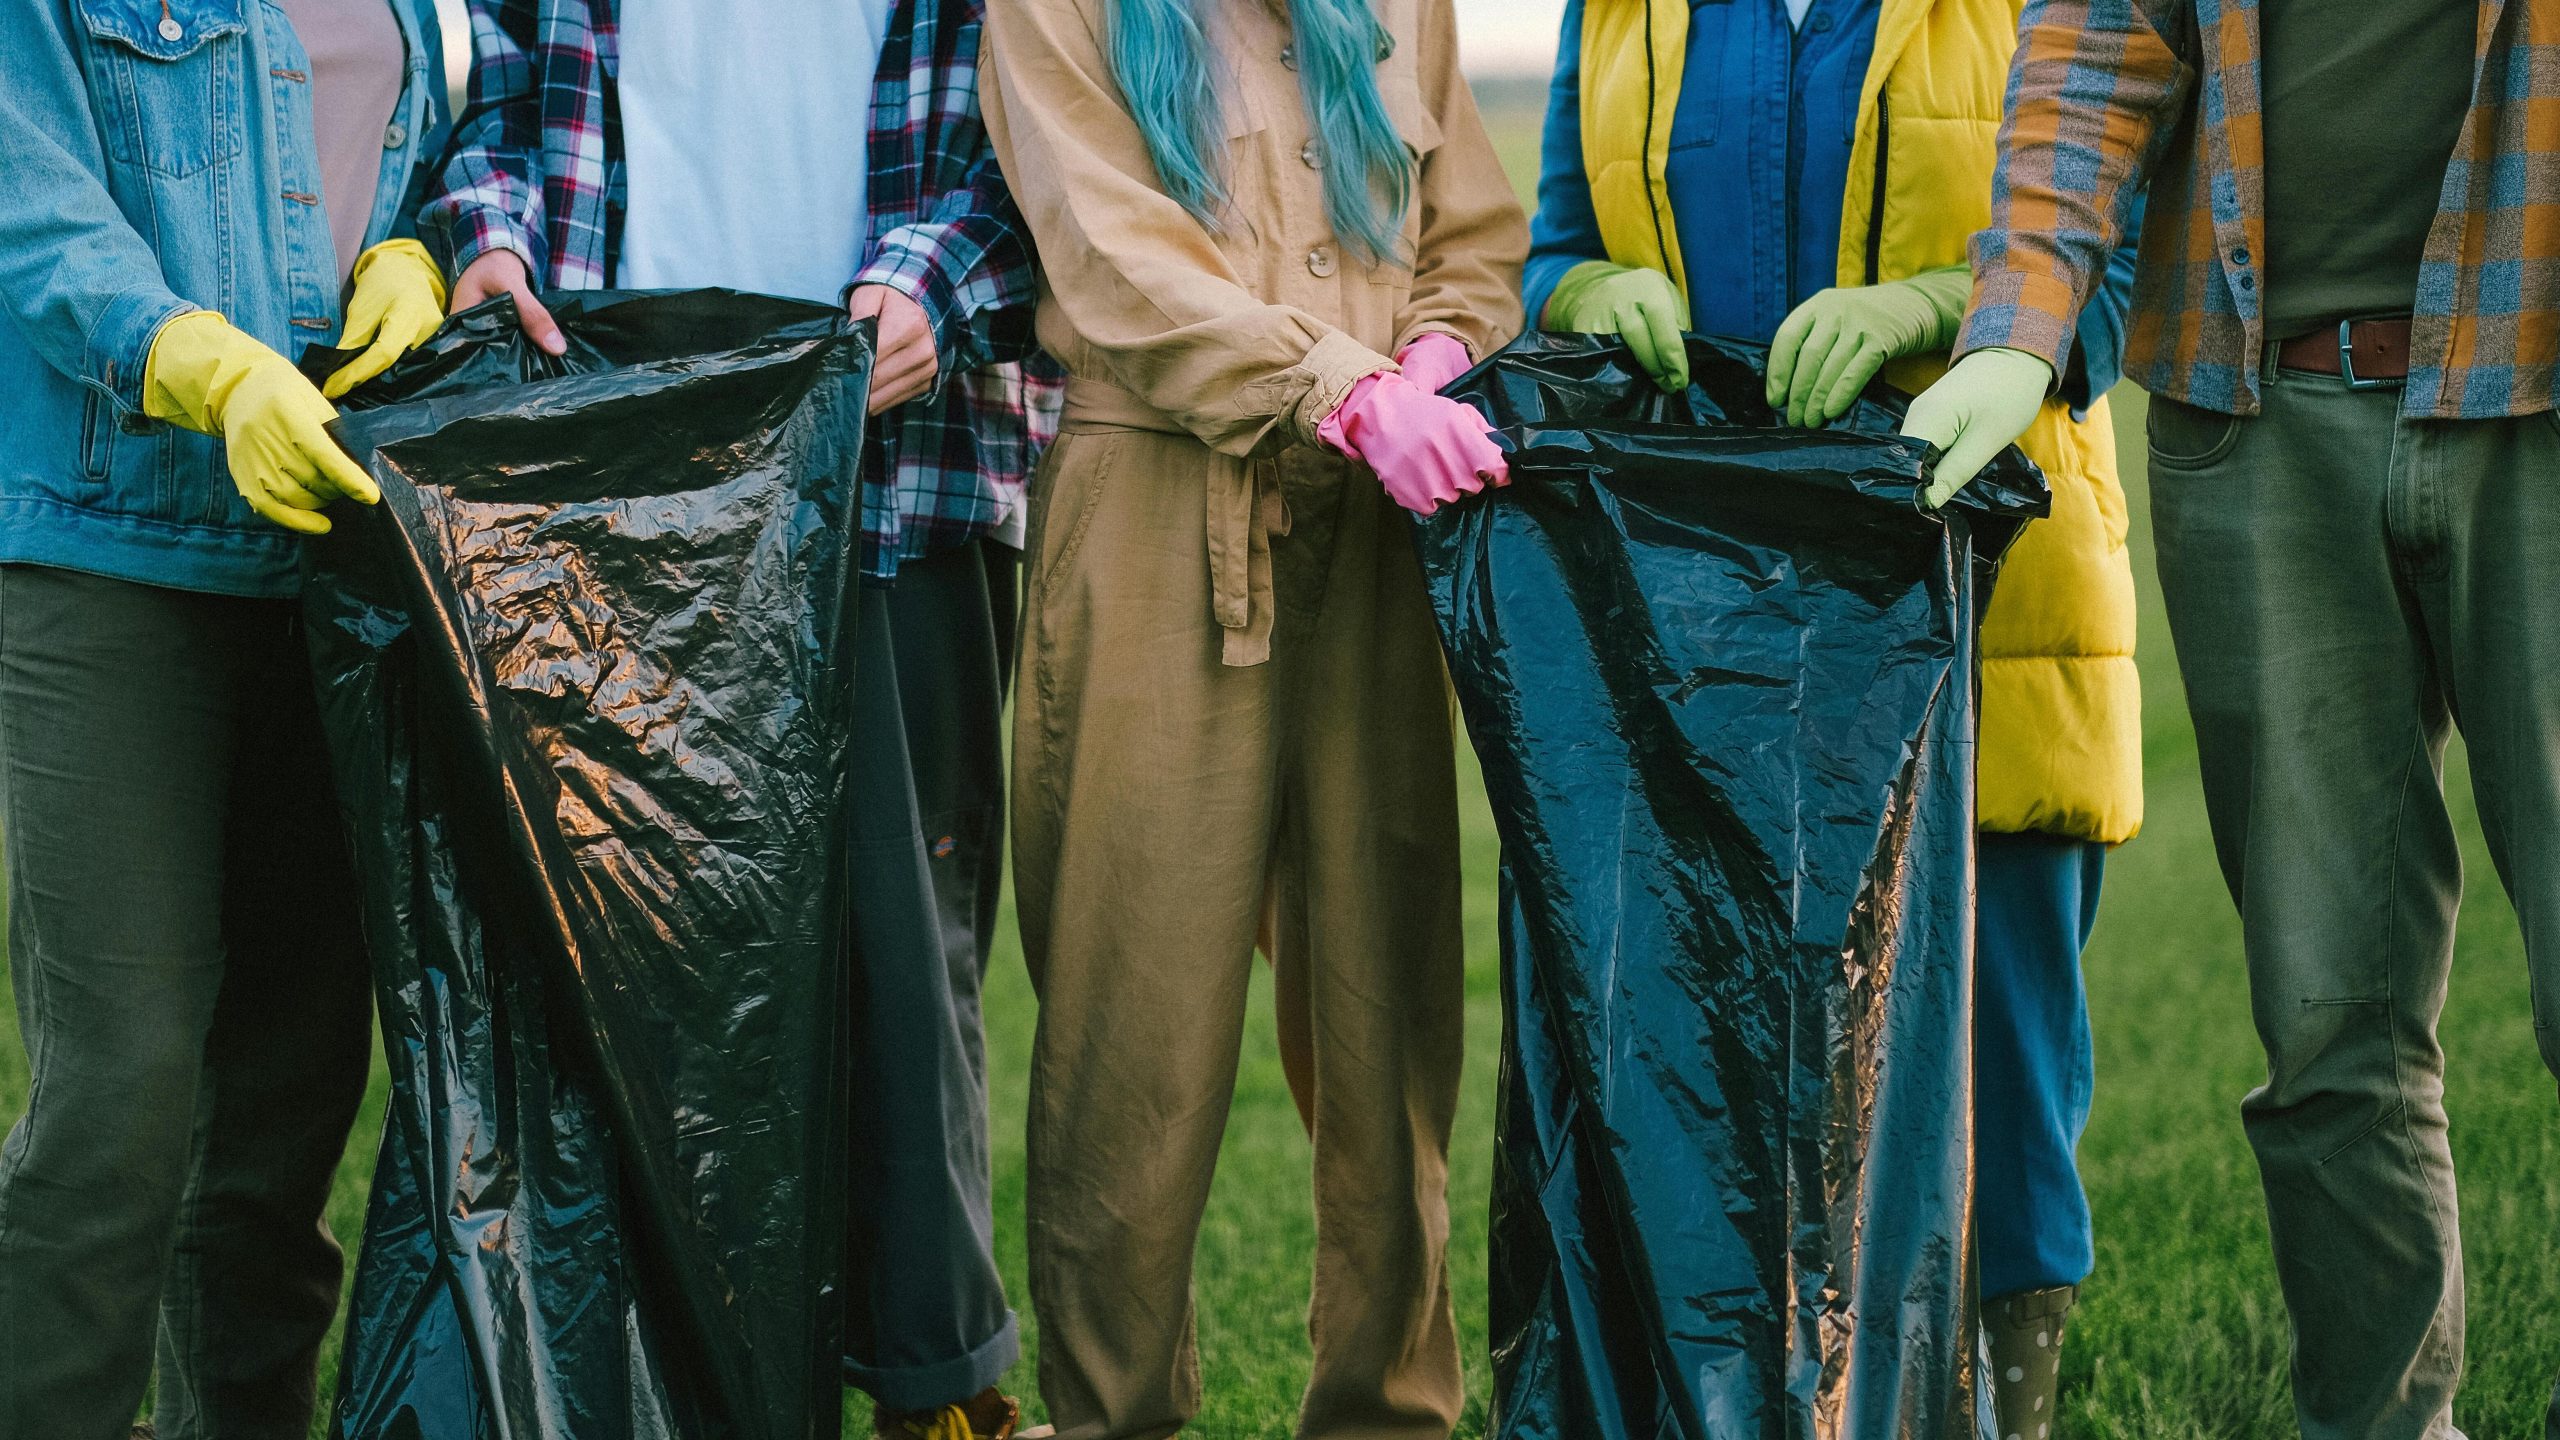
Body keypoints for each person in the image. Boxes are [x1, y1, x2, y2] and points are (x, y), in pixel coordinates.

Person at [1911, 0, 2558, 1434]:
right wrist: (2019, 324)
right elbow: (2091, 59)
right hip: (2259, 413)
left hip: (2540, 395)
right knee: (2332, 1018)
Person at [423, 3, 1053, 1435]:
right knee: (638, 958)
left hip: (896, 474)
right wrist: (492, 242)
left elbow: (1040, 157)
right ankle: (665, 1386)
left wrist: (929, 289)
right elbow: (498, 125)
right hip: (617, 482)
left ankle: (933, 1389)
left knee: (901, 967)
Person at [1524, 0, 2144, 1428]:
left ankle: (1999, 1404)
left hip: (1983, 585)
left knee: (1998, 1038)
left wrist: (1932, 307)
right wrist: (1587, 293)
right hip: (1714, 616)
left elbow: (2108, 287)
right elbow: (1551, 246)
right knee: (1731, 1055)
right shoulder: (1618, 8)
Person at [976, 0, 1526, 1431]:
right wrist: (1335, 389)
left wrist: (1437, 362)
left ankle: (1389, 1415)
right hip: (1159, 497)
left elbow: (1469, 230)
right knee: (1129, 1028)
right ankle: (1110, 1417)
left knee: (1390, 1010)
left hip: (1379, 525)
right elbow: (1105, 253)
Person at [0, 1, 449, 1435]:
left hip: (333, 557)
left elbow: (447, 127)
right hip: (109, 557)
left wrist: (422, 245)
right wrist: (203, 360)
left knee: (277, 1123)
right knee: (119, 1102)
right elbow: (28, 197)